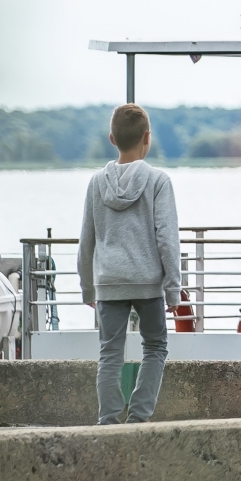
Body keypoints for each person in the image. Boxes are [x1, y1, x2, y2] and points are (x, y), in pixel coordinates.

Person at [77, 103, 181, 424]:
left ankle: (107, 423)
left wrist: (87, 288)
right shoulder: (158, 181)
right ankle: (138, 420)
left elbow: (86, 241)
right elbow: (167, 239)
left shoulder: (96, 183)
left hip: (108, 283)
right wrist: (173, 288)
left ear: (112, 138)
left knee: (109, 355)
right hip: (148, 283)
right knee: (155, 348)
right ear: (147, 137)